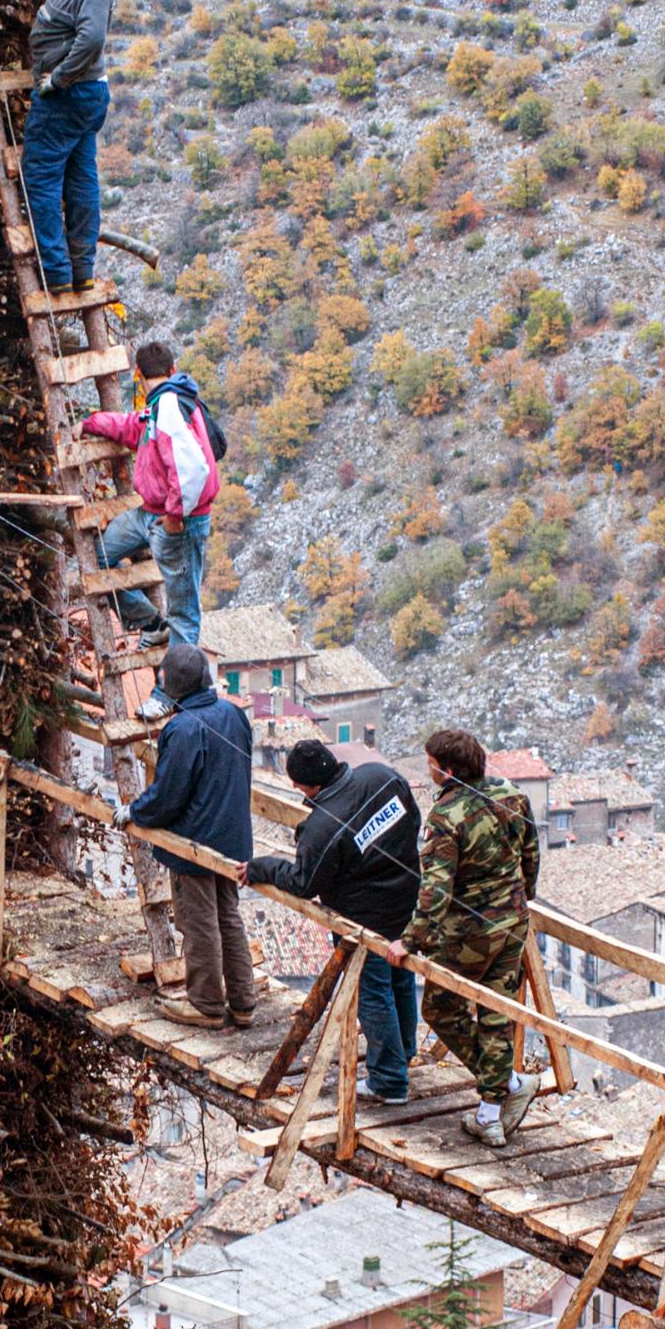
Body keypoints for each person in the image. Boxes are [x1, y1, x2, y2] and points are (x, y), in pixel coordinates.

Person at [384, 728, 542, 1148]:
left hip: (468, 935)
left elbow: (435, 889)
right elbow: (531, 850)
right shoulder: (511, 794)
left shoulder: (446, 817)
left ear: (449, 771)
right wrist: (524, 893)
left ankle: (506, 1084)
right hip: (513, 923)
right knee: (496, 1014)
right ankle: (490, 1114)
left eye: (431, 765)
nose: (429, 771)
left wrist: (410, 941)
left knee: (441, 1009)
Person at [242, 737, 422, 1105]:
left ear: (304, 785)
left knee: (374, 991)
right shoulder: (383, 777)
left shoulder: (322, 827)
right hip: (406, 901)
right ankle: (403, 1054)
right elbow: (413, 821)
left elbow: (303, 882)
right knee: (401, 976)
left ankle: (389, 1081)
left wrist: (262, 868)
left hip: (364, 918)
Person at [119, 645, 256, 1030]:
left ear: (173, 685)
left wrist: (135, 811)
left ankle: (206, 1005)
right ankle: (243, 1002)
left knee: (198, 923)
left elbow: (168, 794)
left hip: (195, 842)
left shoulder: (182, 729)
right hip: (233, 838)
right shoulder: (233, 714)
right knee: (228, 916)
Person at [80, 342, 220, 673]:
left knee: (184, 614)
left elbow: (194, 469)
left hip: (178, 520)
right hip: (151, 513)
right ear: (173, 369)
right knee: (97, 556)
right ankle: (151, 623)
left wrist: (174, 516)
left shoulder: (168, 405)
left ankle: (177, 690)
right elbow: (131, 427)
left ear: (138, 373)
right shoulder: (158, 406)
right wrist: (91, 423)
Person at [0, 0, 115, 295]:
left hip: (68, 95)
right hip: (82, 95)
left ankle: (57, 272)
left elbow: (91, 39)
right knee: (80, 176)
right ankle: (81, 271)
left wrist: (58, 79)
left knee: (40, 177)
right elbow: (61, 17)